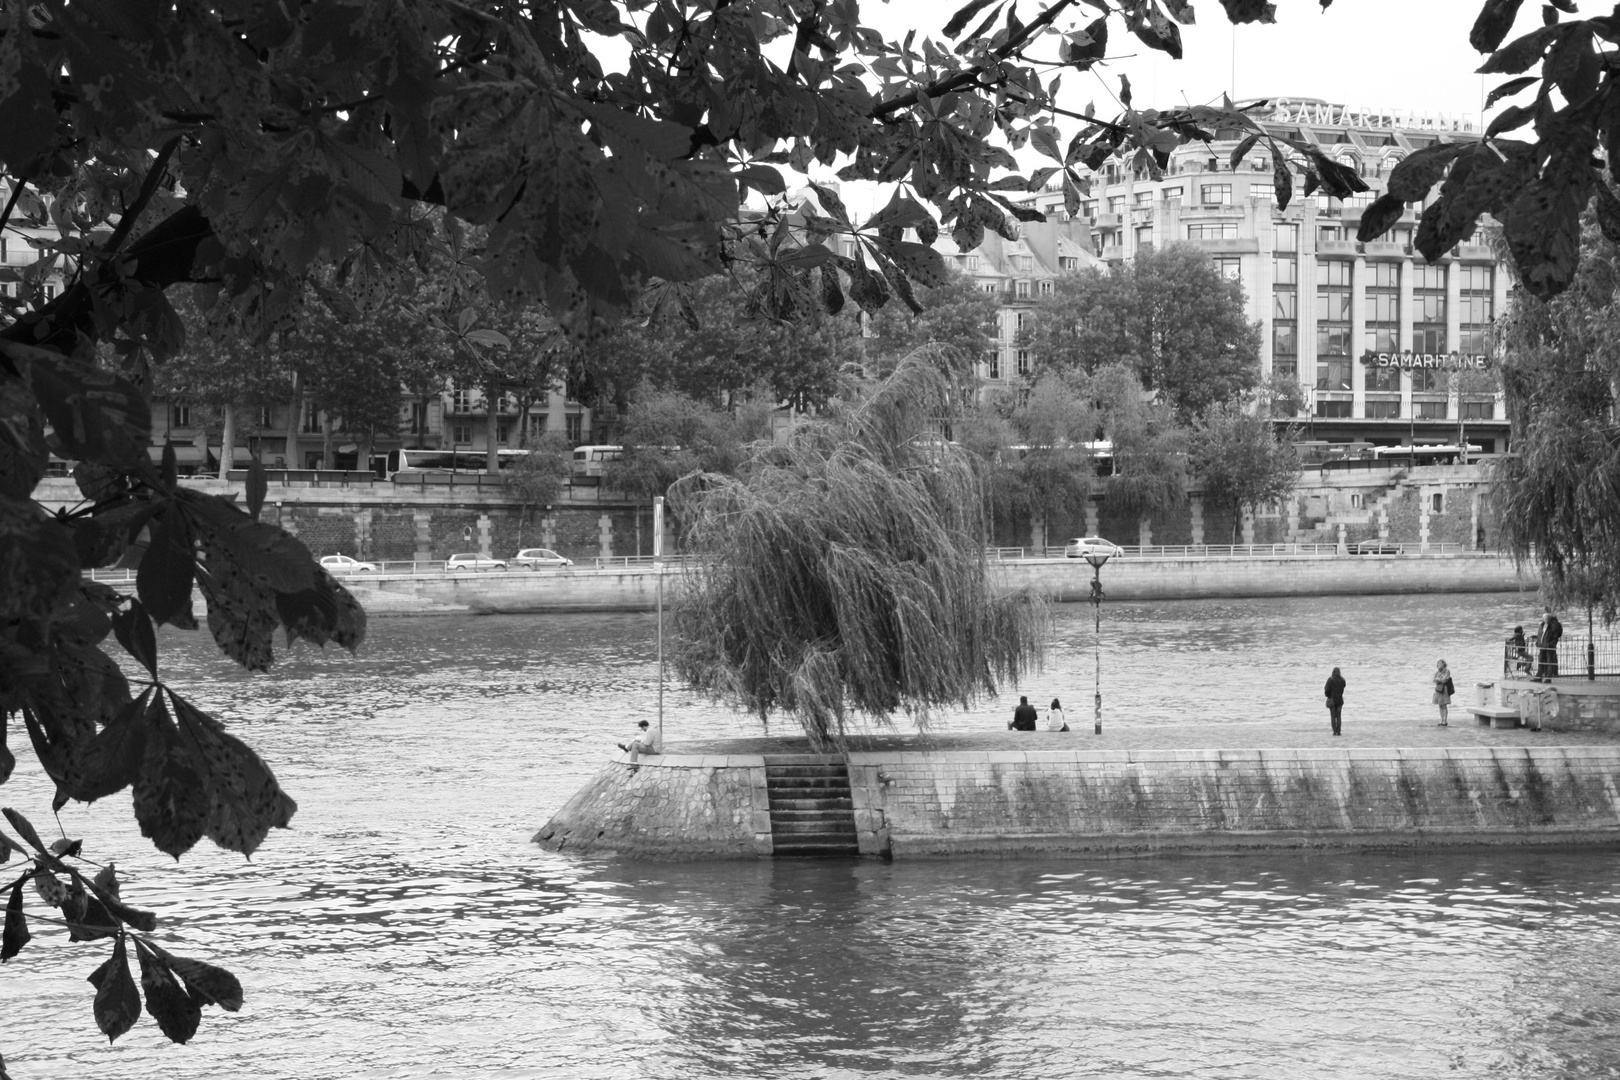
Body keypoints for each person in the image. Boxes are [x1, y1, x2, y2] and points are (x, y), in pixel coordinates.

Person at [1537, 607, 1563, 680]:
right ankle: (1539, 675)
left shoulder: (1553, 626)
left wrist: (1550, 644)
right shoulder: (1542, 625)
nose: (1546, 620)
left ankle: (1548, 676)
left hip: (1548, 646)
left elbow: (1555, 637)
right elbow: (1541, 635)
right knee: (1541, 660)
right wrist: (1538, 642)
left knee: (1549, 661)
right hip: (1543, 646)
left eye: (1548, 619)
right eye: (1545, 619)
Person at [1323, 667, 1346, 736]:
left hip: (1332, 700)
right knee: (1339, 716)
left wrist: (1328, 695)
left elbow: (1326, 690)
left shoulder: (1330, 680)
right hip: (1339, 700)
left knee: (1333, 717)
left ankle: (1334, 731)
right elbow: (1343, 688)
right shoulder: (1342, 680)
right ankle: (1339, 731)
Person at [1432, 659, 1454, 726]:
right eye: (1438, 664)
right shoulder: (1437, 672)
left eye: (1440, 664)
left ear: (1444, 664)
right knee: (1440, 705)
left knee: (1444, 705)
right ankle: (1441, 720)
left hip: (1444, 689)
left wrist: (1438, 680)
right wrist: (1438, 680)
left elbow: (1445, 680)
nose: (1439, 665)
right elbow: (1434, 680)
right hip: (1438, 689)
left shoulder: (1447, 671)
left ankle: (1445, 720)